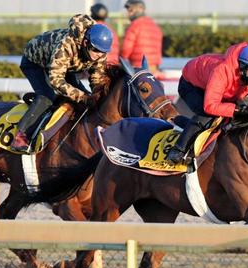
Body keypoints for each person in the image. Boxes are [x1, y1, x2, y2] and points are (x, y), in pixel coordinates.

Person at [10, 14, 113, 153]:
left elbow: (97, 77)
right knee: (47, 97)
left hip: (66, 66)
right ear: (85, 43)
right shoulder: (66, 45)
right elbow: (56, 80)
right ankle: (21, 135)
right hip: (35, 62)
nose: (98, 55)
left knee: (86, 96)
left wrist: (98, 95)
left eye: (102, 52)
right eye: (95, 50)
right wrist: (81, 96)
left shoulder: (99, 50)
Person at [166, 40, 248, 164]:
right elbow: (210, 106)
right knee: (208, 115)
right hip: (191, 86)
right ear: (242, 67)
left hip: (222, 90)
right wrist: (236, 110)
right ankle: (178, 150)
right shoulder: (222, 71)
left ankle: (185, 123)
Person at [121, 0, 163, 73]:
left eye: (131, 10)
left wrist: (120, 60)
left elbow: (125, 49)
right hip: (154, 69)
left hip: (138, 68)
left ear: (139, 10)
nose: (128, 14)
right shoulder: (155, 26)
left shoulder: (134, 26)